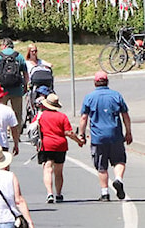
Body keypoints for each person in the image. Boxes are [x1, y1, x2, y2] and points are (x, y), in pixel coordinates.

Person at [79, 70, 132, 201]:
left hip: (98, 137)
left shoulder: (89, 97)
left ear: (95, 82)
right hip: (115, 135)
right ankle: (118, 179)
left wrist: (81, 134)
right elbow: (125, 115)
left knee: (101, 166)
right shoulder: (116, 96)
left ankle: (104, 193)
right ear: (107, 81)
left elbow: (84, 118)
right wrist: (128, 132)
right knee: (119, 160)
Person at [32, 94, 83, 203]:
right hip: (60, 145)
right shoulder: (62, 117)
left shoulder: (40, 116)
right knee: (58, 171)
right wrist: (79, 141)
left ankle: (49, 193)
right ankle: (58, 194)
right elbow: (69, 133)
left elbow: (33, 129)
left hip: (46, 145)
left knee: (47, 168)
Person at [0, 38, 29, 129]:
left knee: (1, 113)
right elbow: (25, 74)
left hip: (2, 89)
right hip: (17, 89)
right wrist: (25, 86)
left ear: (4, 45)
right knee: (17, 114)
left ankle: (3, 131)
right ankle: (16, 135)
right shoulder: (18, 56)